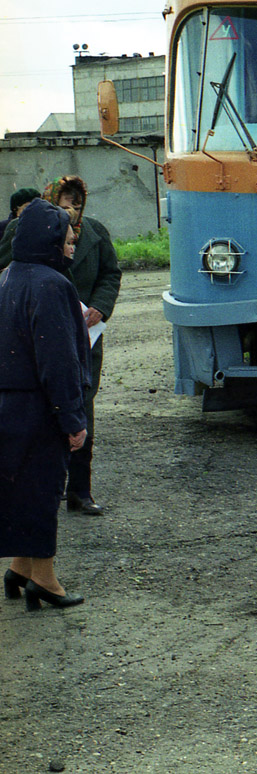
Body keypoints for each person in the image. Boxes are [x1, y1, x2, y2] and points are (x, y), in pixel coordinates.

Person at [0, 177, 123, 513]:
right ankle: (40, 488)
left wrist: (100, 305)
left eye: (76, 205)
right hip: (37, 334)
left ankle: (80, 491)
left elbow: (111, 273)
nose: (71, 212)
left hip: (85, 334)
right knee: (42, 408)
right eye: (64, 205)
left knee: (81, 402)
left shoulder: (95, 233)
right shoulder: (24, 231)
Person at [0, 198, 91, 611]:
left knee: (21, 489)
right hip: (39, 408)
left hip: (9, 405)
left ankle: (20, 569)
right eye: (69, 239)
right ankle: (46, 581)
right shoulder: (52, 285)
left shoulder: (7, 276)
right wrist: (73, 418)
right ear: (51, 240)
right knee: (43, 490)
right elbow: (58, 362)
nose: (73, 245)